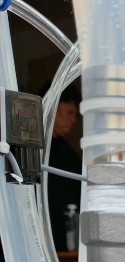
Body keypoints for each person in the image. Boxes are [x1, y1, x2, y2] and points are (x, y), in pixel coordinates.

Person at [47, 84, 82, 251]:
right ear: (53, 107)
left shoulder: (69, 154)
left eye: (75, 115)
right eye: (69, 112)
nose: (73, 120)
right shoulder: (32, 149)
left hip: (65, 235)